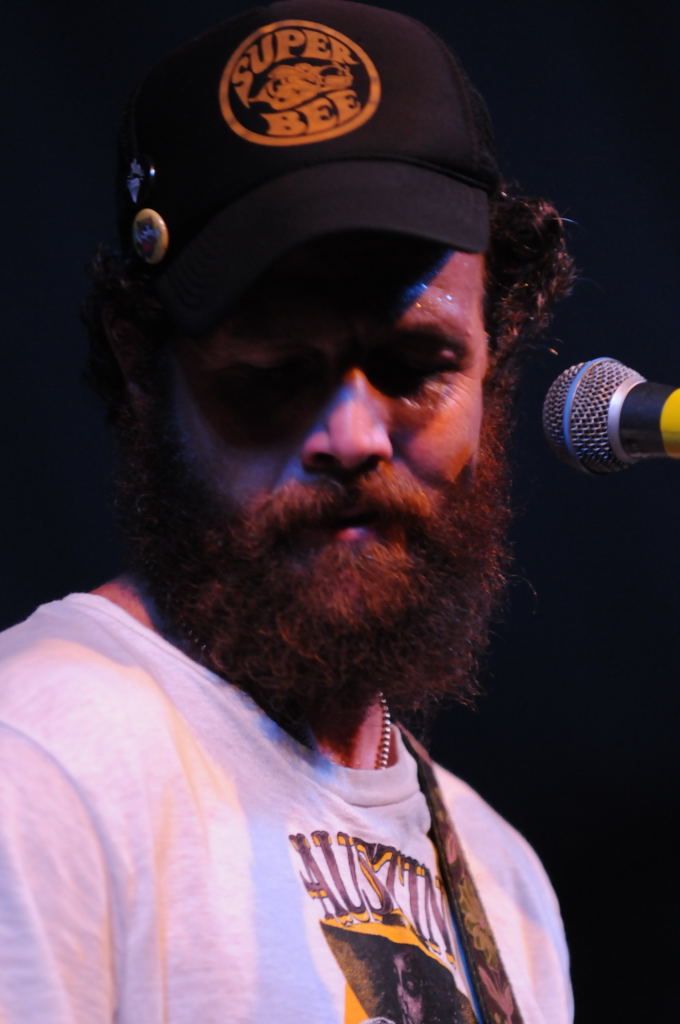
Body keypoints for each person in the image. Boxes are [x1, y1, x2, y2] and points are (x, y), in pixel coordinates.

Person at [0, 1, 575, 1021]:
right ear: (141, 366)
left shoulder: (505, 883)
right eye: (274, 370)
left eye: (415, 367)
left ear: (497, 355)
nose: (351, 437)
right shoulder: (37, 764)